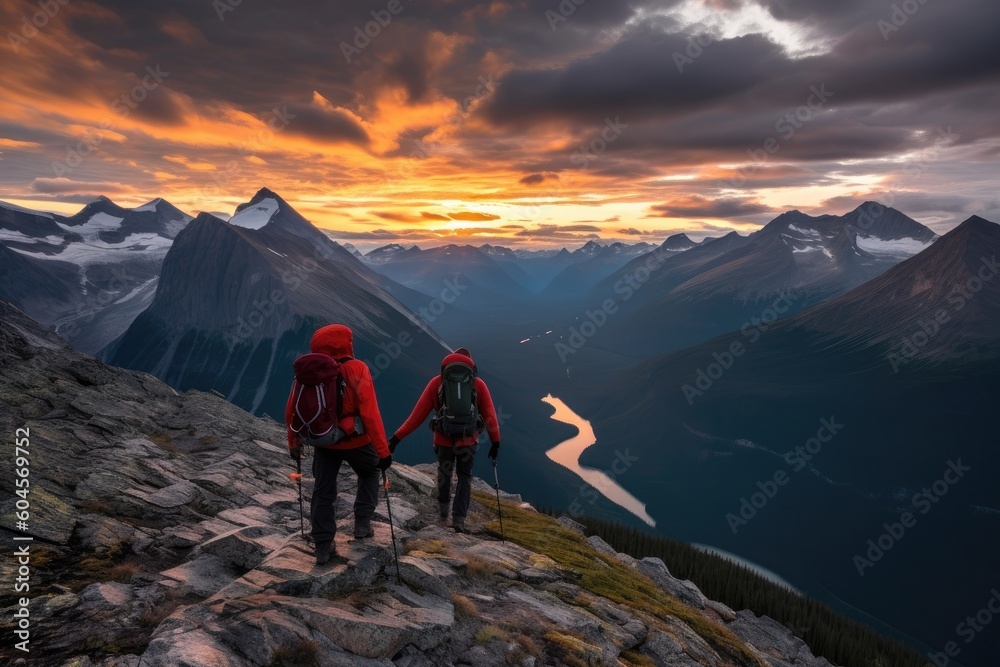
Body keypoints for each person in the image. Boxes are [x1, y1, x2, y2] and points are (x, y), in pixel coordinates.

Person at [285, 324, 392, 565]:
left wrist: (294, 442)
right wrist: (383, 452)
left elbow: (292, 408)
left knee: (323, 491)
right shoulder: (357, 368)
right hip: (357, 441)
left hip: (323, 442)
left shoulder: (307, 371)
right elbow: (370, 414)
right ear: (346, 344)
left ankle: (323, 546)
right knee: (369, 471)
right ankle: (362, 525)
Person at [389, 347, 500, 533]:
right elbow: (490, 416)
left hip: (443, 440)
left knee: (444, 473)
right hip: (468, 441)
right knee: (465, 477)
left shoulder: (437, 383)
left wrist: (395, 438)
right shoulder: (478, 384)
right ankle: (459, 519)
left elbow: (416, 416)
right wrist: (496, 442)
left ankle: (443, 513)